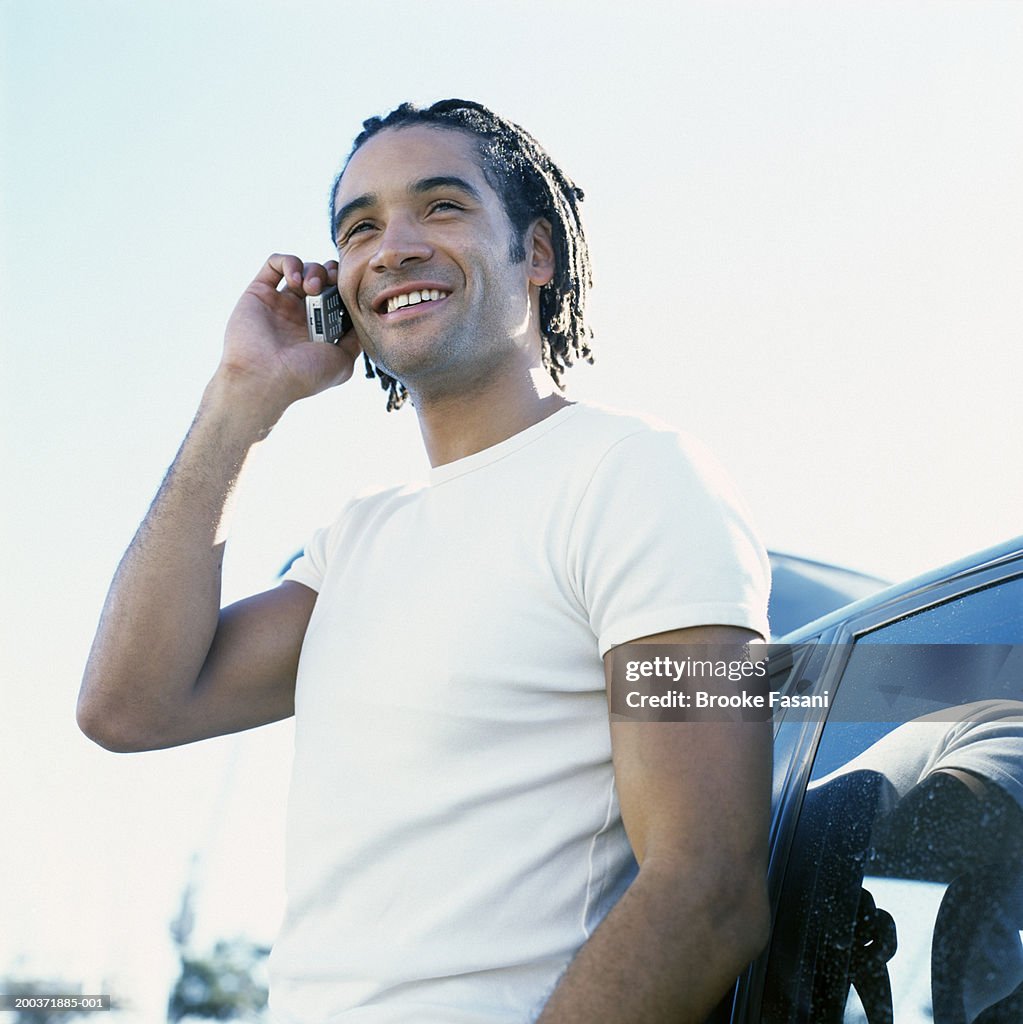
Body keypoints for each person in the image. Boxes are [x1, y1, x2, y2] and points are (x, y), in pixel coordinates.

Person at [78, 99, 772, 1023]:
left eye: (440, 207)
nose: (391, 247)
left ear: (537, 254)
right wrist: (240, 400)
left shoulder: (637, 475)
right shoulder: (353, 544)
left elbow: (708, 890)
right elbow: (128, 707)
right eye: (358, 228)